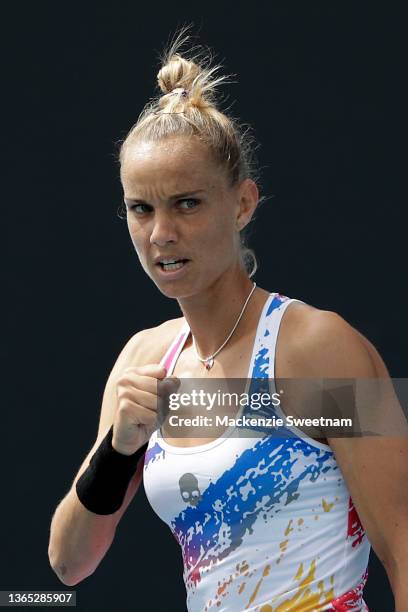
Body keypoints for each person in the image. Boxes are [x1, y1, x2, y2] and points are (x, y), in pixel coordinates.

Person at [48, 29, 408, 611]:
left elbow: (404, 543)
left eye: (187, 203)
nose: (161, 233)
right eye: (141, 208)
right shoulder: (143, 361)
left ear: (242, 203)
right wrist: (117, 452)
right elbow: (68, 564)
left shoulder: (321, 346)